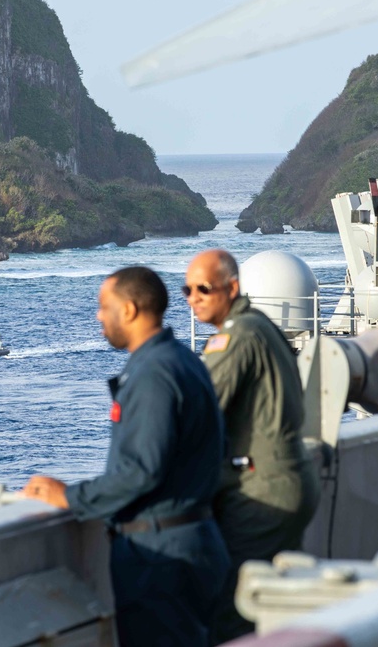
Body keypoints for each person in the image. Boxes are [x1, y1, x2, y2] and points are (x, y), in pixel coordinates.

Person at [24, 266, 230, 647]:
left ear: (131, 310)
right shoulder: (183, 360)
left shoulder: (154, 373)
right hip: (188, 540)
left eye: (105, 306)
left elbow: (142, 469)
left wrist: (70, 497)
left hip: (162, 557)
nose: (99, 316)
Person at [184, 249, 321, 645]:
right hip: (290, 477)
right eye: (188, 289)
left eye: (204, 289)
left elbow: (199, 413)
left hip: (263, 489)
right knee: (274, 606)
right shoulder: (261, 326)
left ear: (232, 288)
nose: (194, 298)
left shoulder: (236, 336)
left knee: (233, 607)